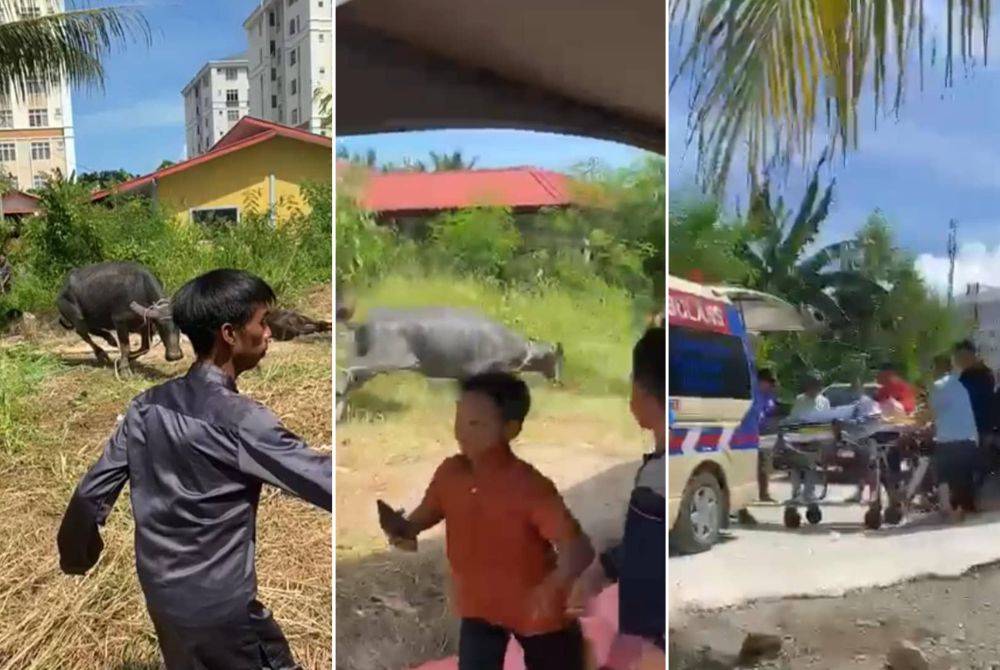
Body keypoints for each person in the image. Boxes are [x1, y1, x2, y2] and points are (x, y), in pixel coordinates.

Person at [57, 269, 333, 670]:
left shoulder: (143, 407)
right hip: (223, 613)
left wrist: (77, 556)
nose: (269, 333)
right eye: (262, 323)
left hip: (162, 599)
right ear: (229, 334)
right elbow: (325, 482)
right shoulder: (242, 421)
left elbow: (89, 494)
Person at [382, 372, 595, 670]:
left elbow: (579, 548)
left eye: (476, 425)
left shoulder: (529, 487)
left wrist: (551, 589)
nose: (461, 433)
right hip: (478, 607)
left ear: (511, 429)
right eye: (459, 420)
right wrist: (403, 528)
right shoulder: (450, 474)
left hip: (535, 613)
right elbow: (425, 515)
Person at [568, 328, 666, 666]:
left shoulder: (656, 484)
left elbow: (649, 562)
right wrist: (602, 571)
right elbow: (647, 548)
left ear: (639, 392)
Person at [928, 353, 980, 523]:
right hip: (968, 437)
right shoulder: (961, 385)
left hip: (948, 439)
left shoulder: (938, 386)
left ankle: (946, 508)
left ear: (937, 368)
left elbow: (931, 413)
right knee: (964, 476)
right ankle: (966, 509)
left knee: (943, 474)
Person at [954, 339, 997, 477]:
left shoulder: (979, 375)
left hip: (979, 429)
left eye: (962, 356)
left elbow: (971, 402)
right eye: (958, 357)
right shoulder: (973, 374)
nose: (960, 361)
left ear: (972, 355)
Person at [756, 368, 779, 502]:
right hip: (749, 434)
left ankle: (764, 493)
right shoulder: (753, 394)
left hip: (764, 434)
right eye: (768, 383)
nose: (770, 386)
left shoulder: (769, 397)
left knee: (765, 464)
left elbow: (771, 413)